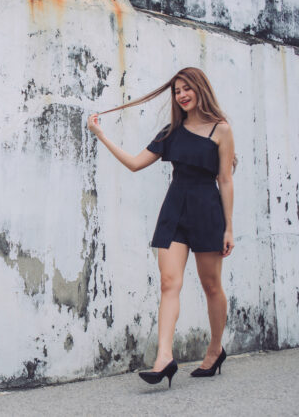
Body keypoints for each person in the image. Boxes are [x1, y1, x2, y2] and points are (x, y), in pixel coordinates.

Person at [86, 67, 235, 388]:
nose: (181, 95)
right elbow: (135, 163)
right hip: (174, 210)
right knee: (169, 283)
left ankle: (215, 349)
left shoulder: (221, 130)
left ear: (200, 89)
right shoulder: (171, 132)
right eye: (177, 91)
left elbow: (225, 180)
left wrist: (229, 228)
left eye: (186, 88)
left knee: (211, 285)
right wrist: (100, 134)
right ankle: (164, 357)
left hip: (207, 210)